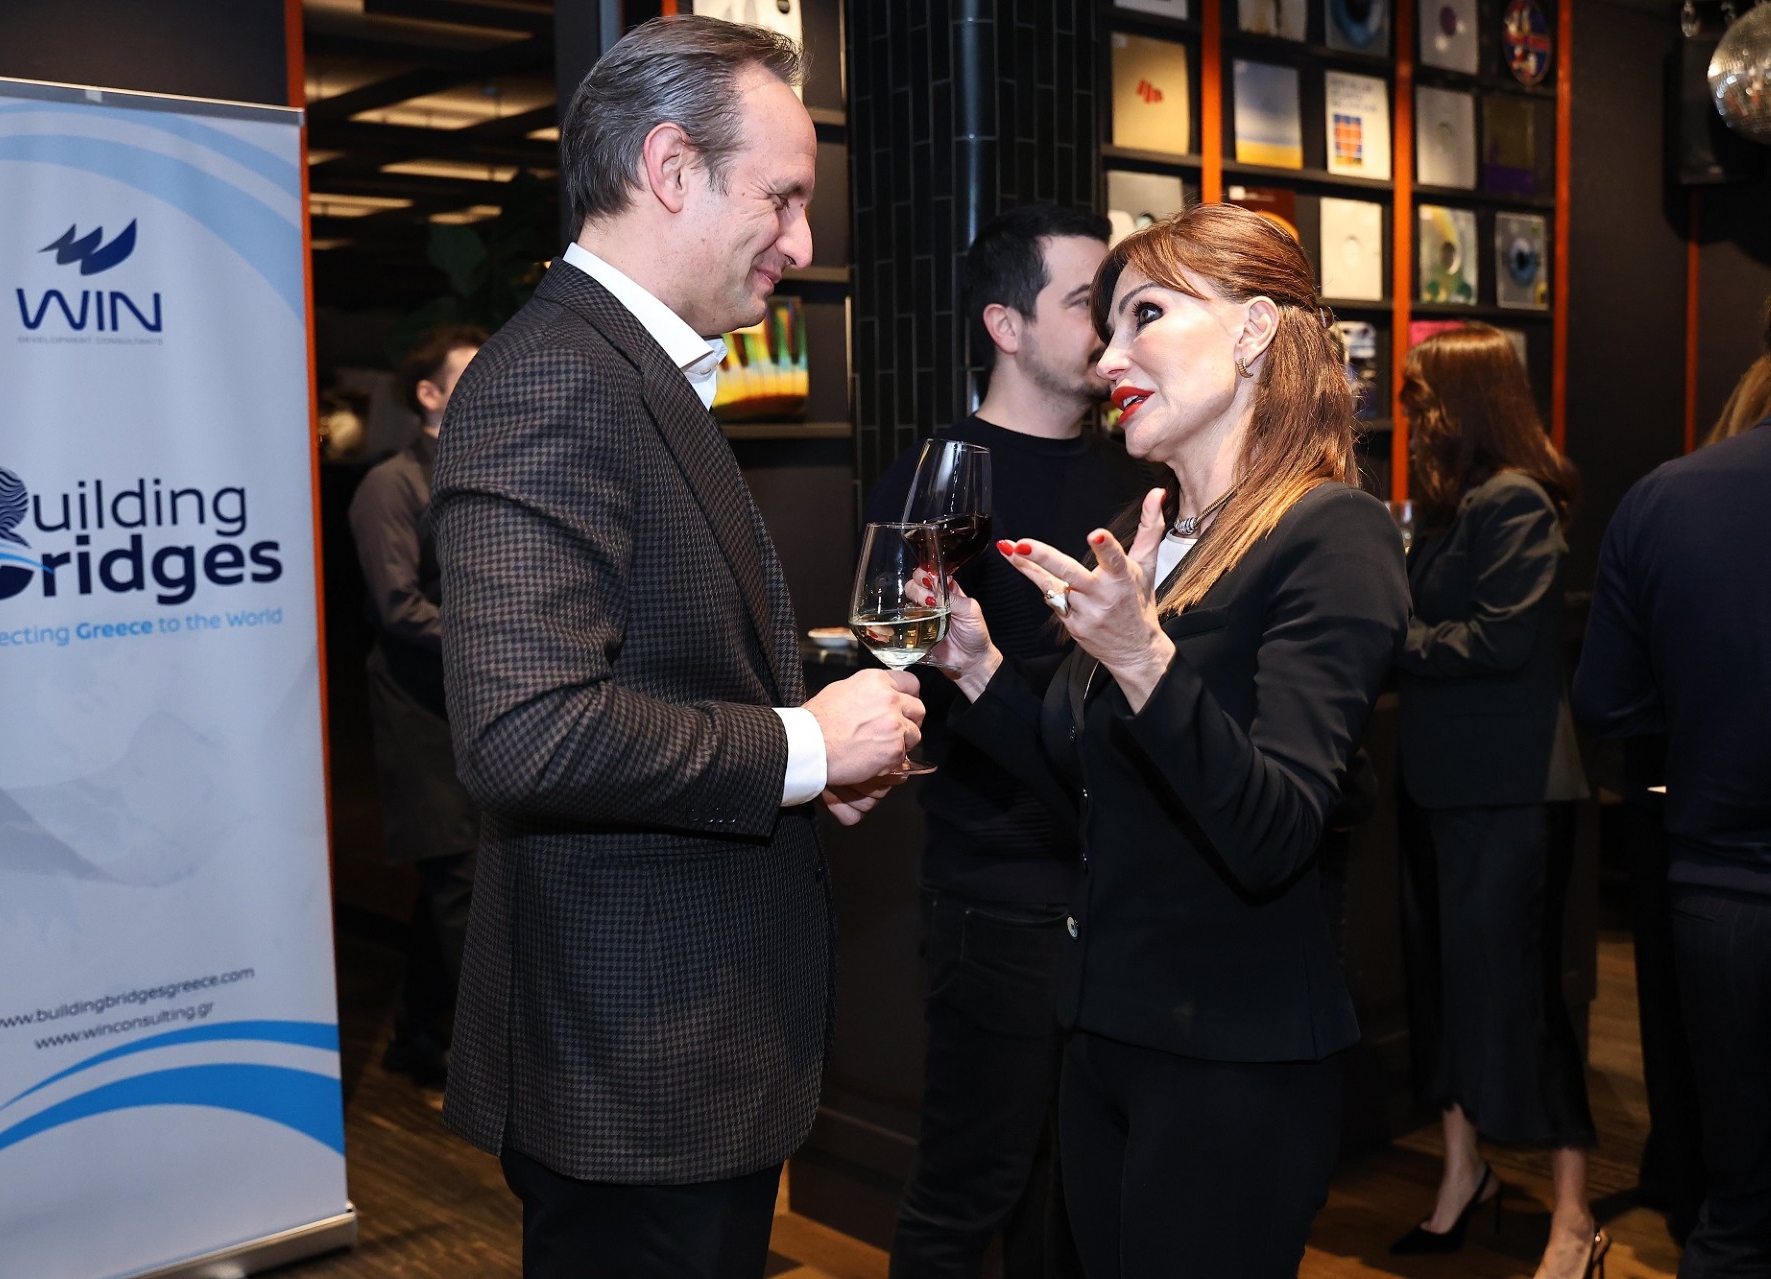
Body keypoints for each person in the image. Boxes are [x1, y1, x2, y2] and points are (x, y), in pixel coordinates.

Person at [430, 16, 925, 1277]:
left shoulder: (626, 372)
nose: (801, 244)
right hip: (631, 1065)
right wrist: (802, 748)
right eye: (783, 197)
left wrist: (810, 757)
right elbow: (526, 730)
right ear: (669, 168)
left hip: (670, 1056)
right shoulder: (559, 379)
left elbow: (655, 664)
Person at [927, 202, 1409, 1277]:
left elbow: (1275, 829)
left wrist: (1141, 656)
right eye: (1105, 328)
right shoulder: (1164, 541)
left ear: (1253, 331)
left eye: (1144, 315)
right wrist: (980, 670)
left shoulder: (1331, 532)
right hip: (1105, 1033)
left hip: (1229, 1057)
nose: (1109, 359)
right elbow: (1096, 785)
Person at [863, 203, 1150, 1279]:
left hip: (1119, 886)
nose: (1109, 328)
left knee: (1078, 1197)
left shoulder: (1138, 477)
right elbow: (906, 672)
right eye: (1085, 303)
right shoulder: (940, 481)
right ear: (1006, 324)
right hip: (1000, 892)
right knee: (968, 1190)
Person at [1386, 325, 1605, 1279]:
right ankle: (1462, 1175)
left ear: (1465, 403)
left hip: (1511, 798)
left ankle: (1574, 1215)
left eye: (1422, 399)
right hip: (1441, 790)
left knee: (1523, 1003)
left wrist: (1391, 638)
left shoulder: (1515, 500)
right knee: (1441, 991)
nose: (1411, 418)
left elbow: (1500, 640)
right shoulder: (1450, 510)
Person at [1573, 306, 1771, 1279]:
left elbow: (1607, 699)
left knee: (1737, 1211)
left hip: (1724, 896)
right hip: (1722, 877)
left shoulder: (1667, 497)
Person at [347, 323, 487, 1088]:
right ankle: (508, 1066)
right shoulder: (391, 485)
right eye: (470, 376)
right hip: (418, 707)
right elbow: (398, 606)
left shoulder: (487, 469)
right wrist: (497, 638)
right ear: (428, 394)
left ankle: (416, 1036)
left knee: (457, 872)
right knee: (458, 874)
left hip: (474, 703)